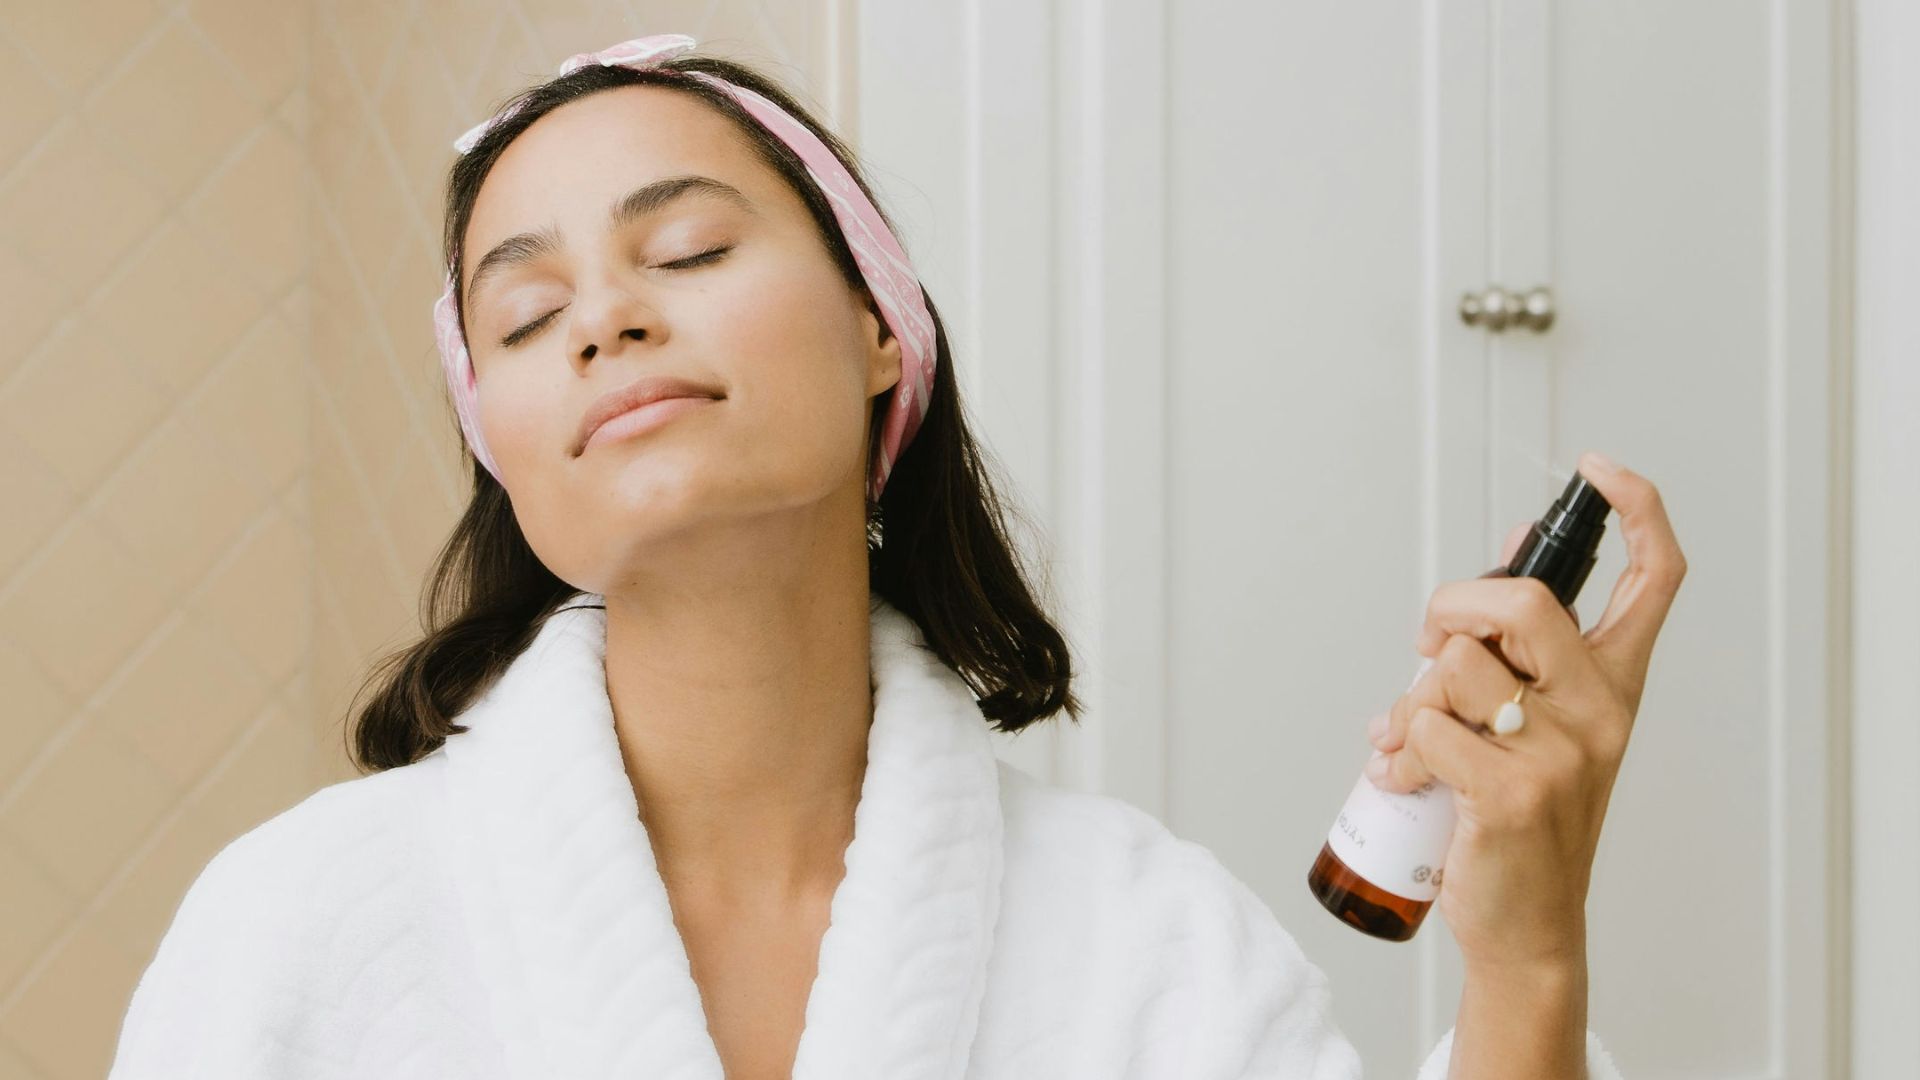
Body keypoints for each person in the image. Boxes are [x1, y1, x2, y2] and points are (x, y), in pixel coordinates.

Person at [108, 34, 1683, 1079]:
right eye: (524, 317)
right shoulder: (297, 928)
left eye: (687, 249)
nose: (603, 318)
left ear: (882, 328)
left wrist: (1529, 964)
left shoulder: (1150, 942)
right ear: (504, 460)